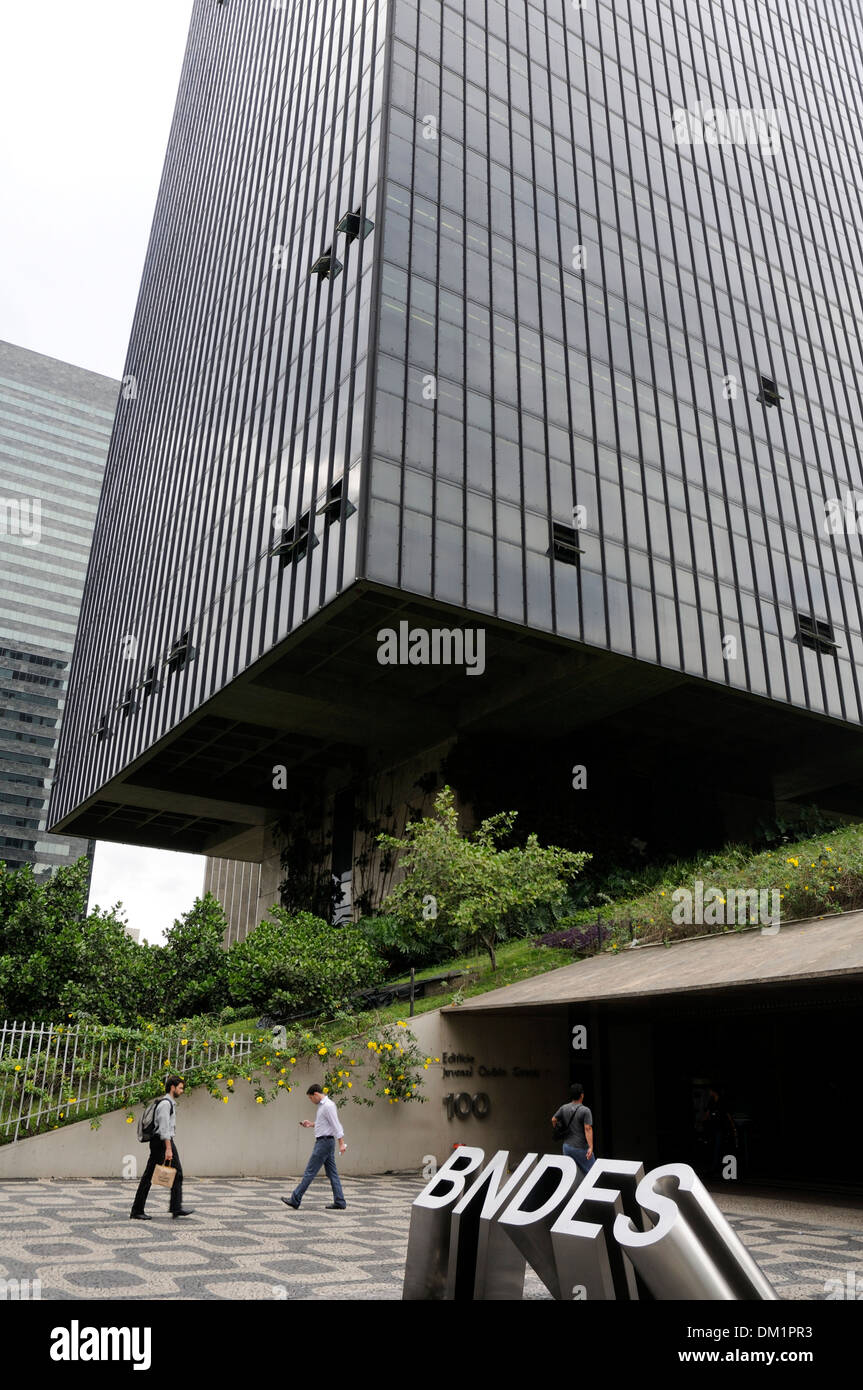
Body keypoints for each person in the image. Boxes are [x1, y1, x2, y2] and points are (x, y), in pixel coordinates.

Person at [130, 1075, 194, 1220]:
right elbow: (164, 1129)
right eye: (180, 1088)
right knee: (148, 1176)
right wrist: (169, 1149)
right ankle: (137, 1210)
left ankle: (176, 1207)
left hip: (164, 1141)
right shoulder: (165, 1104)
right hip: (161, 1142)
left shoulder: (169, 1103)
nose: (182, 1091)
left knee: (177, 1173)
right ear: (172, 1087)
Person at [282, 1084, 347, 1211]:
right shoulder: (323, 1106)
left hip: (324, 1143)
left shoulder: (328, 1106)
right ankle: (340, 1201)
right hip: (326, 1142)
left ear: (316, 1094)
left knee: (310, 1172)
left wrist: (341, 1143)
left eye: (311, 1098)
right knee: (332, 1173)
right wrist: (311, 1124)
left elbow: (336, 1125)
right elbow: (325, 1124)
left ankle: (295, 1199)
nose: (311, 1101)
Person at [551, 1082, 596, 1176]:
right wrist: (591, 1147)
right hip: (581, 1147)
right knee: (593, 1174)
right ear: (582, 1095)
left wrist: (559, 1128)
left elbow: (553, 1119)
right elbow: (588, 1128)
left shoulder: (564, 1108)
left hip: (567, 1147)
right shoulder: (585, 1110)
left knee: (571, 1175)